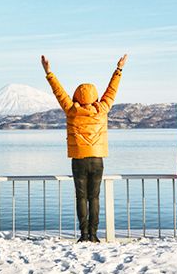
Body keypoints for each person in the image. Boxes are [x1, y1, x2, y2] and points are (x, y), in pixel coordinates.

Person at [41, 54, 127, 243]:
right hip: (97, 159)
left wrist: (49, 72)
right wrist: (118, 69)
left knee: (81, 197)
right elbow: (112, 90)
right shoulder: (102, 108)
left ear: (77, 96)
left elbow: (59, 92)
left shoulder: (71, 110)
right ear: (95, 96)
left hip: (79, 159)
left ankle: (83, 235)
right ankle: (94, 235)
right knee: (94, 197)